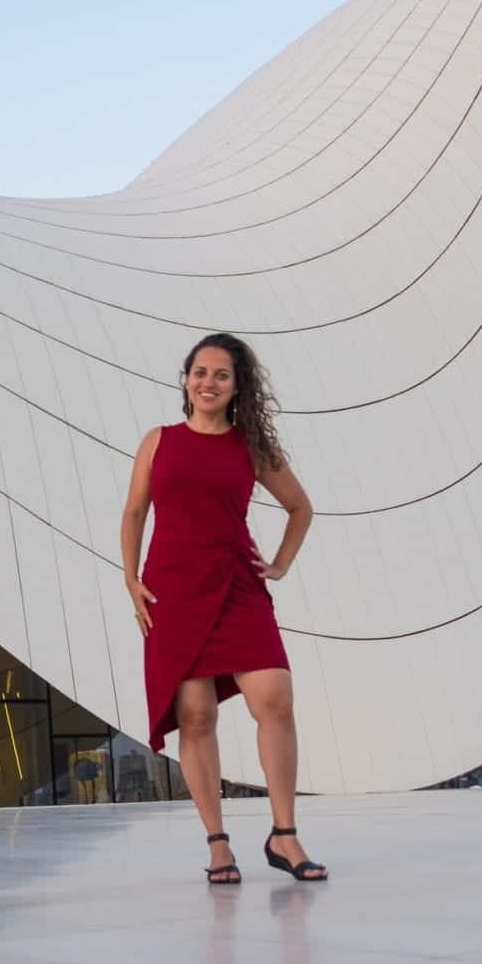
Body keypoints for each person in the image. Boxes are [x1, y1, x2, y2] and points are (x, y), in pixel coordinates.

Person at [120, 332, 327, 883]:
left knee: (275, 697)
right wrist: (130, 580)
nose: (207, 382)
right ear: (185, 379)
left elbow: (300, 507)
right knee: (196, 715)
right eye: (199, 372)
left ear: (237, 387)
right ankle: (218, 845)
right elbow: (135, 512)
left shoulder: (251, 445)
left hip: (236, 583)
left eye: (220, 375)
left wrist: (279, 564)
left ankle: (284, 834)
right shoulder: (158, 440)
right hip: (172, 589)